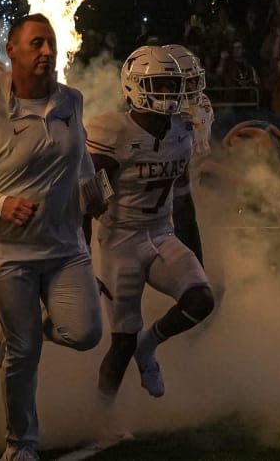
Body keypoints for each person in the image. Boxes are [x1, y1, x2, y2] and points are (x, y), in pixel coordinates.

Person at [0, 14, 102, 461]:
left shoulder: (72, 100)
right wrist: (0, 203)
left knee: (86, 332)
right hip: (6, 252)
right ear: (12, 50)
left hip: (64, 247)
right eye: (36, 44)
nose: (47, 53)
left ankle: (21, 336)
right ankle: (21, 443)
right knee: (25, 350)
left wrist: (94, 194)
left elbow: (80, 157)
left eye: (50, 44)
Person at [87, 46, 214, 402]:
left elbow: (184, 203)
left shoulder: (183, 132)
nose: (167, 95)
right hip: (119, 241)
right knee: (121, 341)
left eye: (172, 86)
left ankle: (151, 344)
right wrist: (81, 252)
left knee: (201, 300)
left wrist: (196, 258)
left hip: (161, 234)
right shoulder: (112, 131)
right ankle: (101, 416)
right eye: (157, 85)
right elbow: (85, 197)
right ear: (133, 86)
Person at [161, 43, 210, 263]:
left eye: (194, 80)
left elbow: (201, 152)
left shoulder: (203, 107)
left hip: (190, 197)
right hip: (159, 207)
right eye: (186, 81)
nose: (193, 86)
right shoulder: (152, 117)